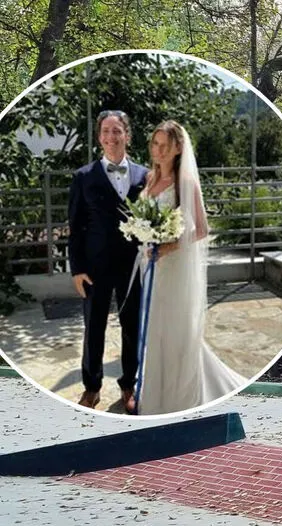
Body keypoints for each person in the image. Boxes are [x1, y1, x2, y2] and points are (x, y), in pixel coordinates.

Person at [132, 120, 245, 415]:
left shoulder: (186, 184)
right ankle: (153, 396)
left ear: (178, 148)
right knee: (154, 331)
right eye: (154, 144)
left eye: (163, 145)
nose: (157, 151)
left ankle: (180, 398)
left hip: (174, 270)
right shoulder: (149, 180)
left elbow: (201, 229)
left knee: (176, 333)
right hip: (151, 267)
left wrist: (167, 247)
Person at [67, 110, 148, 413]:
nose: (111, 137)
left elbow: (152, 222)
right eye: (106, 131)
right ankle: (92, 387)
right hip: (94, 268)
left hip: (132, 268)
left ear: (127, 135)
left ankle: (129, 384)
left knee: (132, 327)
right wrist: (77, 269)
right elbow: (75, 229)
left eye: (117, 131)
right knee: (94, 328)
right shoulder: (84, 177)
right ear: (99, 136)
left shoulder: (144, 176)